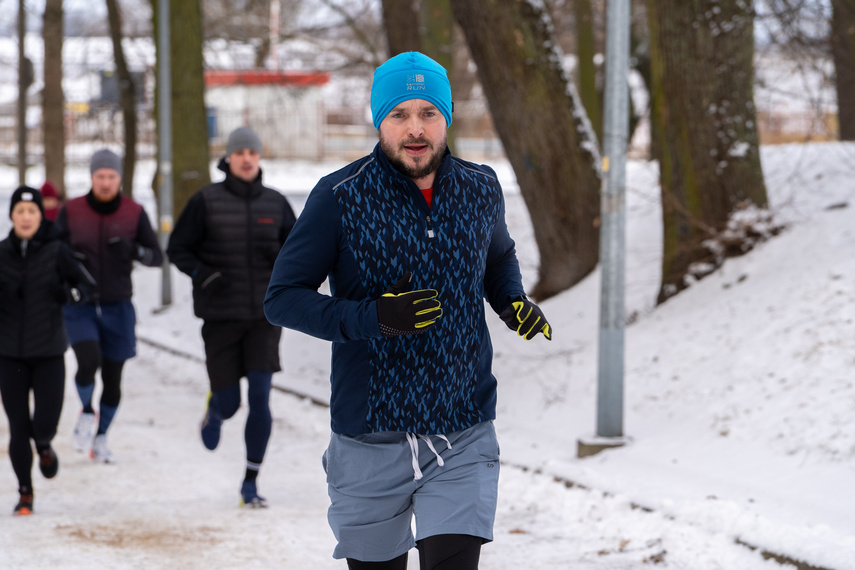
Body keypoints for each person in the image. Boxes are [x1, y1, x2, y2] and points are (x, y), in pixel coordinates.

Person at [263, 51, 552, 570]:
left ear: (447, 116)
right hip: (370, 435)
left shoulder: (481, 187)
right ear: (380, 120)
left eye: (428, 113)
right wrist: (372, 319)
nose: (415, 129)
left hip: (461, 427)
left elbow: (497, 253)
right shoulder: (339, 196)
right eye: (399, 114)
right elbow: (282, 298)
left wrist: (510, 301)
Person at [167, 126, 296, 508]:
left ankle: (250, 482)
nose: (246, 158)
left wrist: (290, 274)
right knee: (230, 402)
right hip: (220, 317)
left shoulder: (276, 204)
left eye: (252, 153)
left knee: (260, 396)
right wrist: (202, 274)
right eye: (239, 152)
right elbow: (178, 249)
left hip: (264, 318)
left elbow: (299, 252)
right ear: (228, 158)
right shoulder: (205, 201)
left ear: (259, 158)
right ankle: (215, 411)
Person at [56, 149, 163, 463]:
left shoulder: (133, 212)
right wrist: (68, 264)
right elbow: (52, 249)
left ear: (119, 178)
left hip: (118, 305)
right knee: (87, 362)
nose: (105, 182)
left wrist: (134, 251)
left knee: (114, 378)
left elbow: (156, 256)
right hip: (81, 305)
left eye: (111, 176)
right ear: (91, 177)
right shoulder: (72, 211)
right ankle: (87, 411)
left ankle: (101, 437)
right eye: (100, 176)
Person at [0, 186, 94, 515]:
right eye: (20, 212)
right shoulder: (1, 253)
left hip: (49, 352)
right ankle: (25, 494)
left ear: (41, 216)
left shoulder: (57, 252)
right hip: (9, 353)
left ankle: (44, 444)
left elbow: (86, 286)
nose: (26, 218)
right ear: (11, 216)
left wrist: (66, 293)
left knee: (44, 424)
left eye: (32, 212)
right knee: (17, 425)